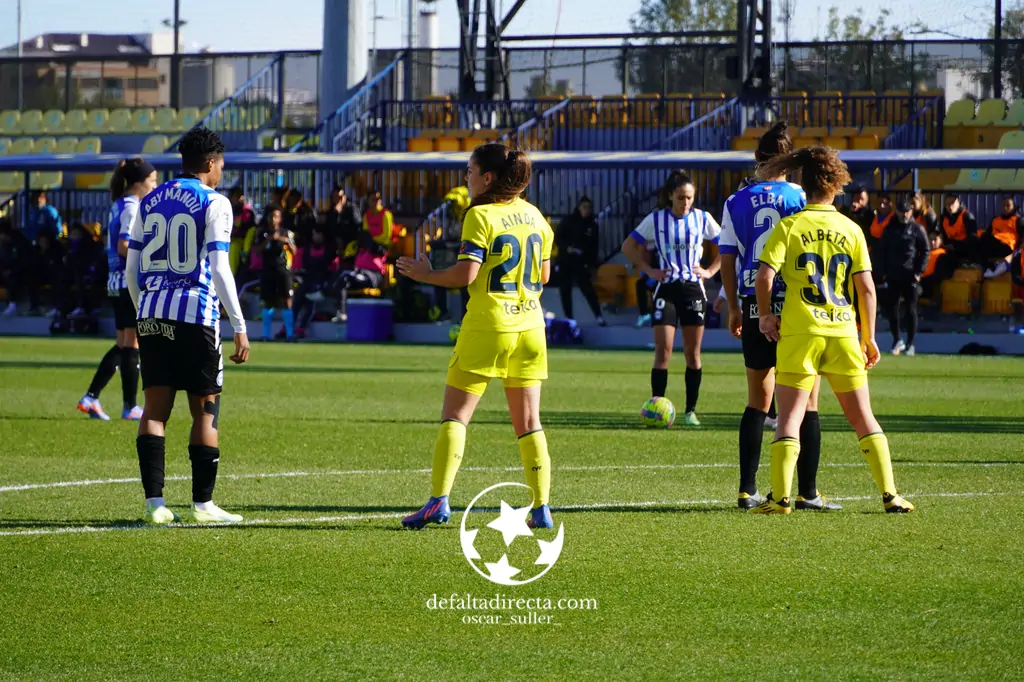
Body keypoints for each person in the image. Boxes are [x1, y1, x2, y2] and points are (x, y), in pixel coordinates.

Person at [396, 143, 555, 530]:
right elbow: (546, 276)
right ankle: (541, 508)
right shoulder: (535, 215)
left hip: (489, 325)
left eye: (469, 171)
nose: (465, 178)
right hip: (532, 328)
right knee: (529, 421)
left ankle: (438, 501)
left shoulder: (480, 215)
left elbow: (466, 276)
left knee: (455, 416)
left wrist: (426, 274)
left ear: (487, 177)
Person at [751, 146, 914, 515]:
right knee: (863, 417)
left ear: (801, 184)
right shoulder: (851, 228)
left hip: (800, 333)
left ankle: (779, 499)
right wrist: (868, 336)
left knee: (790, 418)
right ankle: (890, 495)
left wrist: (764, 315)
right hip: (842, 332)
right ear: (837, 186)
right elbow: (867, 289)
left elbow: (764, 276)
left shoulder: (789, 226)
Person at [125, 126, 250, 526]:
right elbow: (218, 267)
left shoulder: (149, 201)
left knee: (156, 410)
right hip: (196, 315)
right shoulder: (215, 202)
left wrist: (143, 311)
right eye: (221, 165)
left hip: (152, 312)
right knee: (205, 411)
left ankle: (155, 504)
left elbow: (133, 268)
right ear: (211, 162)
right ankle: (203, 505)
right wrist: (240, 324)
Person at [719, 121, 838, 511]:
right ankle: (807, 492)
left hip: (754, 302)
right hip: (797, 306)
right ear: (789, 160)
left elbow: (727, 256)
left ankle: (746, 489)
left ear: (757, 158)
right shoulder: (801, 196)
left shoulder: (736, 200)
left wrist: (736, 306)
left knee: (758, 399)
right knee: (808, 399)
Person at [621, 170, 721, 426]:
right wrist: (649, 270)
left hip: (693, 289)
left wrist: (710, 270)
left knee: (692, 354)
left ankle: (690, 411)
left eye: (689, 198)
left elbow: (729, 245)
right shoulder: (656, 220)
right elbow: (628, 246)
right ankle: (657, 407)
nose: (685, 203)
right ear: (670, 197)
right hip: (666, 289)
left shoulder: (702, 219)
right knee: (663, 352)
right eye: (680, 198)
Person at [76, 158, 158, 421]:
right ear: (139, 182)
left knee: (124, 344)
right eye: (153, 181)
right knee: (132, 344)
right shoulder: (132, 207)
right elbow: (125, 245)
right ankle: (128, 406)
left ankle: (94, 398)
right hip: (127, 281)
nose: (155, 186)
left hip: (116, 281)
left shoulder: (119, 204)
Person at [877, 199, 929, 356]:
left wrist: (919, 272)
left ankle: (910, 343)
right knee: (892, 309)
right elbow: (882, 252)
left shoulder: (916, 229)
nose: (904, 214)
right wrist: (884, 272)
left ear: (911, 211)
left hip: (910, 276)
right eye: (902, 211)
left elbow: (925, 251)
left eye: (907, 211)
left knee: (911, 309)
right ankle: (897, 340)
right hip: (893, 274)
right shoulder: (890, 229)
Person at [555, 196, 605, 325]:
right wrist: (567, 248)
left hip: (581, 262)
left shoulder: (592, 225)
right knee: (565, 290)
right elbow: (558, 237)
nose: (586, 210)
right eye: (584, 207)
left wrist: (593, 265)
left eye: (589, 208)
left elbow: (594, 245)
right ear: (579, 208)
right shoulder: (568, 221)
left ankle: (598, 315)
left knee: (588, 289)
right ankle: (569, 318)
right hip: (565, 260)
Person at [257, 204, 297, 342]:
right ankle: (265, 334)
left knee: (287, 300)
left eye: (276, 216)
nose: (274, 219)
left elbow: (294, 250)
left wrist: (281, 239)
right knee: (268, 301)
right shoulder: (262, 232)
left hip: (283, 270)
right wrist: (268, 239)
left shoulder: (286, 233)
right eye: (271, 216)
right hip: (268, 270)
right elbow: (257, 250)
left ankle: (290, 334)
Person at [293, 225, 339, 338]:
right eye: (314, 234)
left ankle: (301, 328)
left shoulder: (330, 249)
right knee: (298, 296)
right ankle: (288, 326)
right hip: (308, 278)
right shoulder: (308, 248)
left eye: (318, 234)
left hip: (322, 280)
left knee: (311, 298)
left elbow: (333, 269)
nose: (316, 237)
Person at [981, 197, 1020, 279]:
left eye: (1008, 205)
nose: (1005, 208)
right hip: (993, 245)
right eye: (1003, 205)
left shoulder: (1018, 221)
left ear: (1013, 207)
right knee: (979, 240)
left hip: (1007, 247)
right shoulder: (995, 220)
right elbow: (987, 233)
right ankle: (985, 266)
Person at [939, 194, 979, 267]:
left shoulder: (966, 215)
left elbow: (972, 237)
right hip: (949, 247)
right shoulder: (943, 218)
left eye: (952, 203)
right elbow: (942, 235)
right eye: (948, 204)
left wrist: (956, 245)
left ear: (958, 203)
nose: (950, 206)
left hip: (964, 247)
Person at [227, 186, 256, 279]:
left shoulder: (247, 212)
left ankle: (233, 276)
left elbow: (250, 229)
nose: (241, 198)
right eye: (238, 195)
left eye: (241, 195)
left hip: (241, 242)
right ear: (231, 197)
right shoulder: (227, 210)